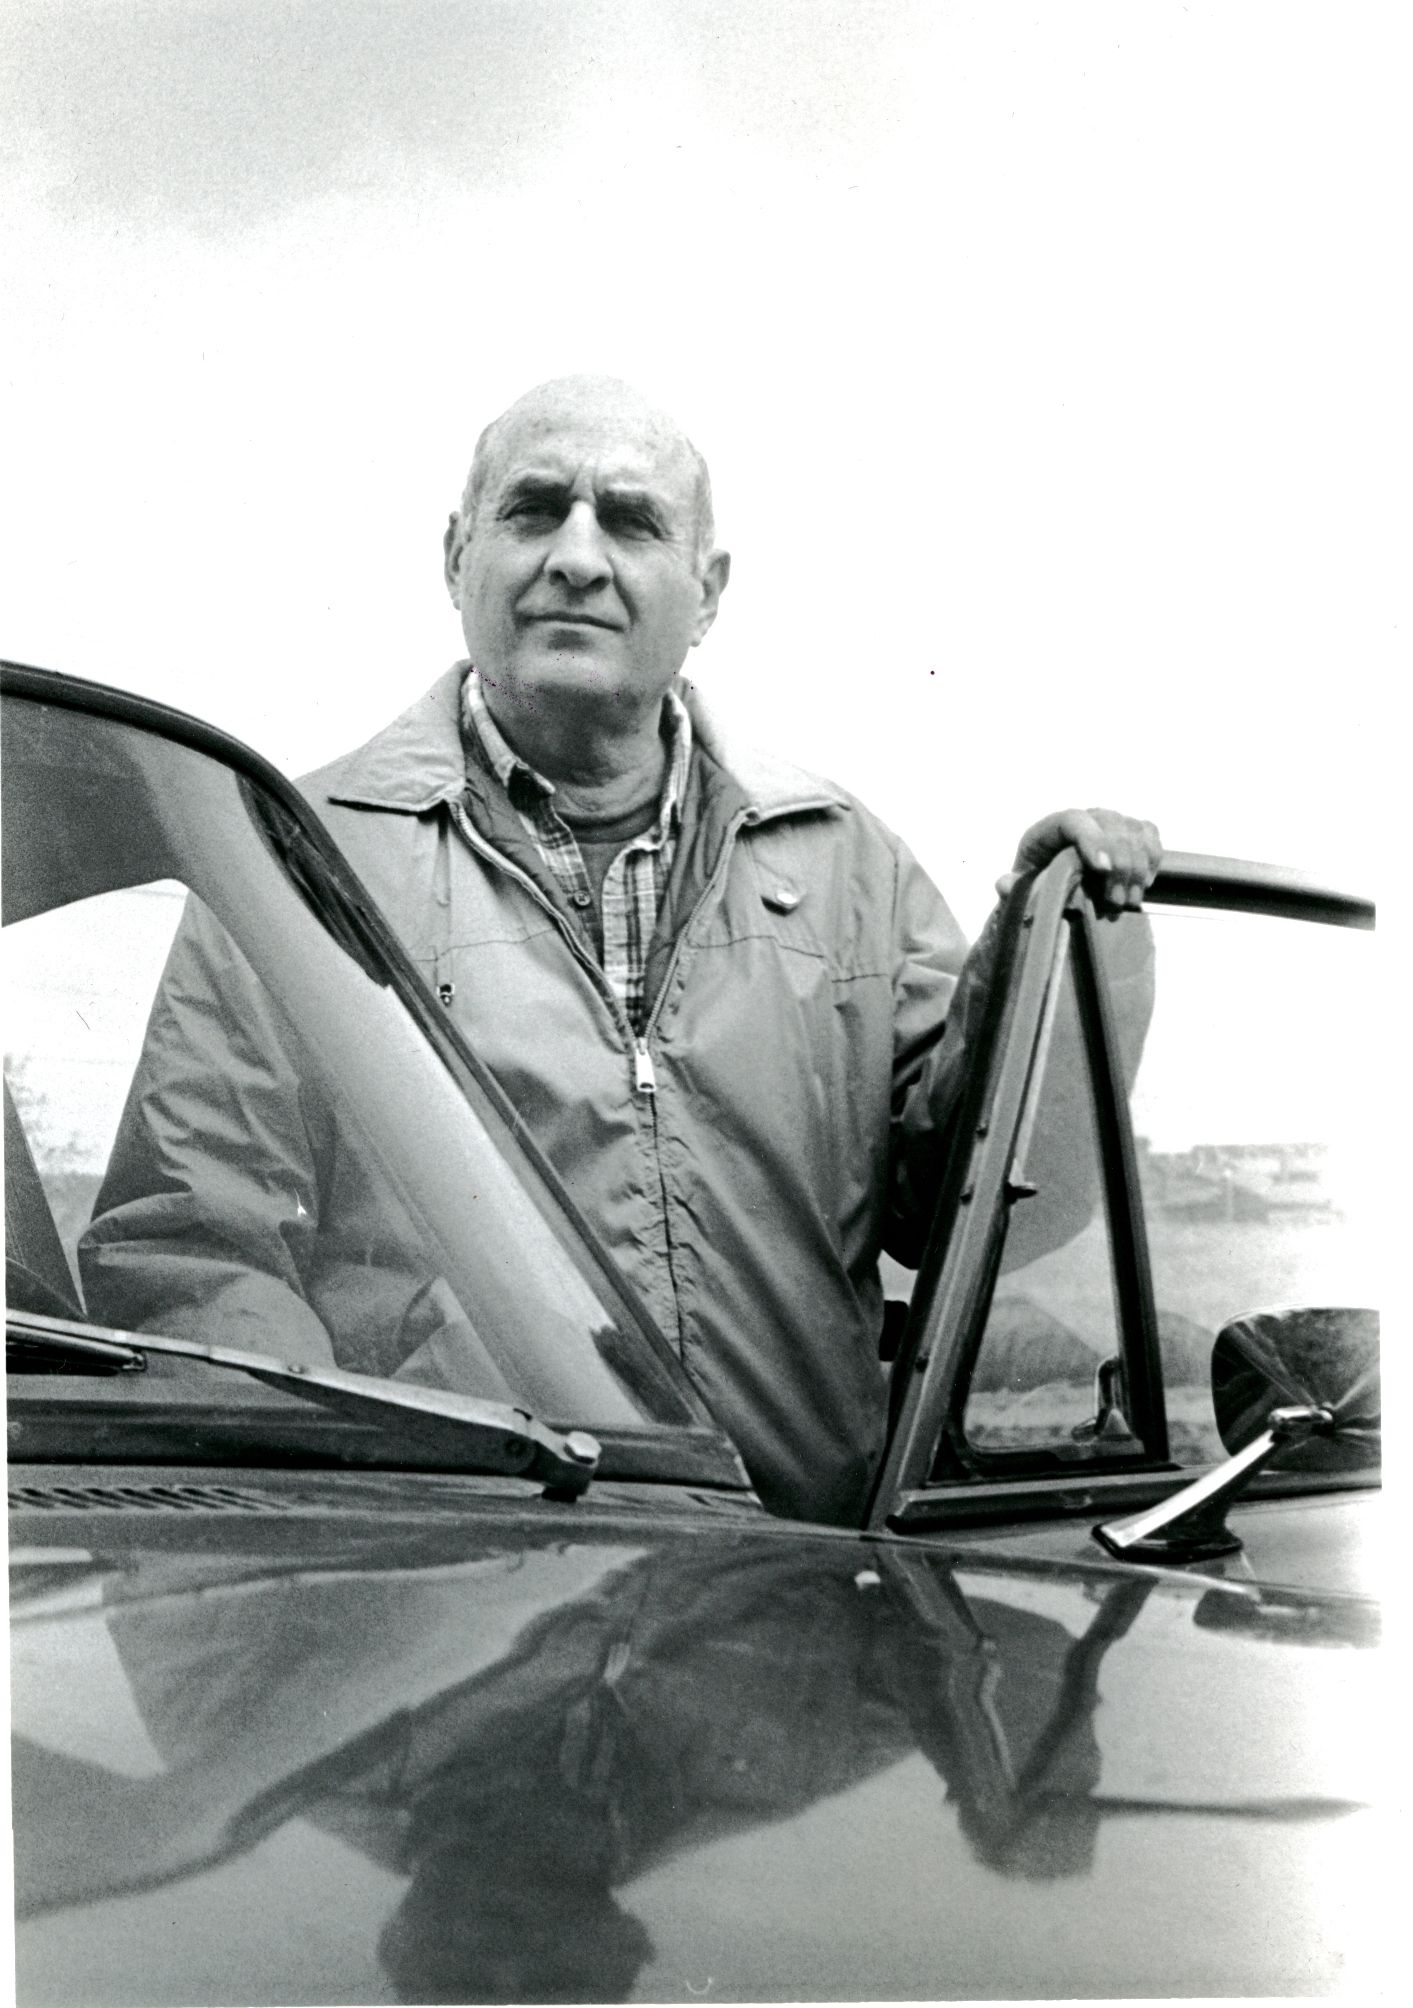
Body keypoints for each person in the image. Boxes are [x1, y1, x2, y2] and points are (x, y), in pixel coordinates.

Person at [82, 375, 1161, 1523]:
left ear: (709, 591)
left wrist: (1065, 948)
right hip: (453, 1582)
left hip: (803, 1579)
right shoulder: (298, 859)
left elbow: (971, 1203)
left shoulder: (850, 865)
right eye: (534, 511)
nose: (577, 558)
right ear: (455, 556)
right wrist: (345, 1533)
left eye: (632, 521)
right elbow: (197, 1254)